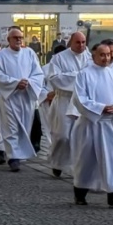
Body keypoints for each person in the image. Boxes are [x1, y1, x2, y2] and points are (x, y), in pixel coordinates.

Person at [70, 40, 113, 208]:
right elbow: (80, 99)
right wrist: (100, 108)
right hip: (92, 124)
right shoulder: (84, 74)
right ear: (94, 56)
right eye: (102, 55)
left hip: (111, 124)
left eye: (108, 55)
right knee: (87, 160)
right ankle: (80, 192)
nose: (106, 58)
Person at [0, 29, 47, 172]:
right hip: (10, 97)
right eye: (15, 37)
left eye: (20, 37)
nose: (18, 40)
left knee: (24, 127)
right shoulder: (1, 56)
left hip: (26, 96)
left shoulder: (29, 53)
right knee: (11, 127)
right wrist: (15, 83)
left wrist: (29, 82)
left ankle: (19, 154)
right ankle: (13, 158)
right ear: (8, 40)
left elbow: (38, 73)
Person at [44, 32, 90, 177]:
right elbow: (54, 78)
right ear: (70, 42)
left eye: (83, 42)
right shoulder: (59, 58)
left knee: (80, 136)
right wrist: (79, 76)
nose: (81, 45)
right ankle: (57, 162)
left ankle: (76, 166)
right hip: (64, 99)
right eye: (78, 42)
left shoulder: (90, 57)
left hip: (82, 101)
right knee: (62, 135)